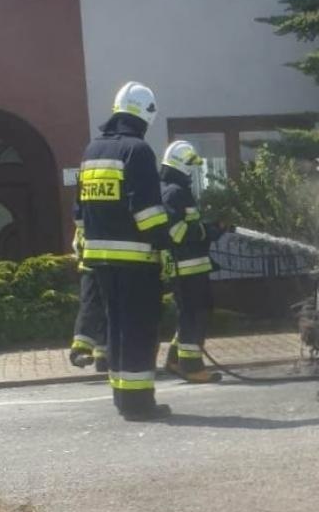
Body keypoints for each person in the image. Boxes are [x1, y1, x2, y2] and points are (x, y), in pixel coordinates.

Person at [76, 82, 170, 420]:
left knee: (116, 329)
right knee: (138, 331)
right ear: (146, 114)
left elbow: (80, 211)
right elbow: (147, 210)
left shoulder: (92, 150)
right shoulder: (137, 150)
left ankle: (122, 397)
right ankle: (138, 404)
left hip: (100, 262)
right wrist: (167, 243)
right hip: (135, 261)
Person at [159, 141, 224, 383]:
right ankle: (191, 366)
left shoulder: (177, 191)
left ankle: (176, 360)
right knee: (194, 314)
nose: (193, 170)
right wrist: (207, 232)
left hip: (192, 266)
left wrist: (208, 228)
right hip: (186, 268)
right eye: (191, 165)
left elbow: (189, 226)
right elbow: (176, 232)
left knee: (194, 313)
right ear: (181, 165)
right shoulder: (174, 193)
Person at [67, 223, 109, 373]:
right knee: (91, 307)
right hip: (94, 266)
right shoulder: (90, 215)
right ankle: (79, 351)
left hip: (98, 264)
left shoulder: (88, 213)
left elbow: (77, 243)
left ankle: (103, 357)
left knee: (107, 310)